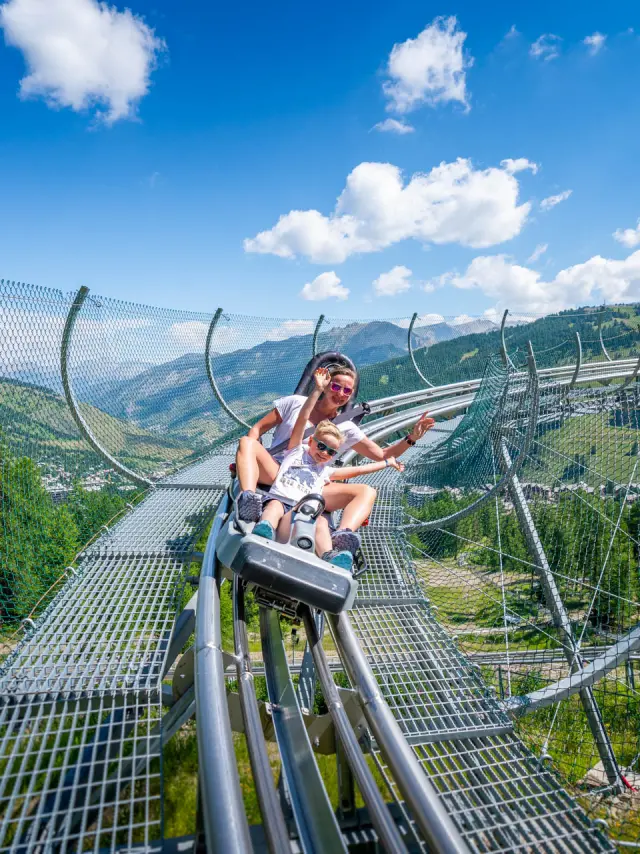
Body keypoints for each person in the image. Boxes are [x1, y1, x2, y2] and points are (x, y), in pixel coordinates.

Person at [235, 360, 435, 562]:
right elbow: (257, 430)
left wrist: (412, 438)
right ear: (327, 384)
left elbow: (382, 455)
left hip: (312, 482)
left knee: (366, 491)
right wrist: (246, 460)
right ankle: (248, 500)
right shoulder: (296, 404)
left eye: (347, 391)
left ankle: (342, 536)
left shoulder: (346, 428)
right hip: (278, 469)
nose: (340, 394)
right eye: (336, 386)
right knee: (247, 443)